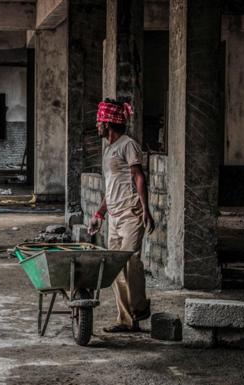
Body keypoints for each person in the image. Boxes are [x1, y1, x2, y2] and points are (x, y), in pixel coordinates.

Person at [88, 99, 155, 333]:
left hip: (131, 213)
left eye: (99, 122)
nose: (97, 125)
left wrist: (146, 209)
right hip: (115, 216)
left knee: (131, 261)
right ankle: (126, 320)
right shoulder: (108, 150)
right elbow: (111, 189)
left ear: (108, 124)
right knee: (115, 267)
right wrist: (99, 214)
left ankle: (139, 307)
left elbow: (138, 177)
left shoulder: (129, 145)